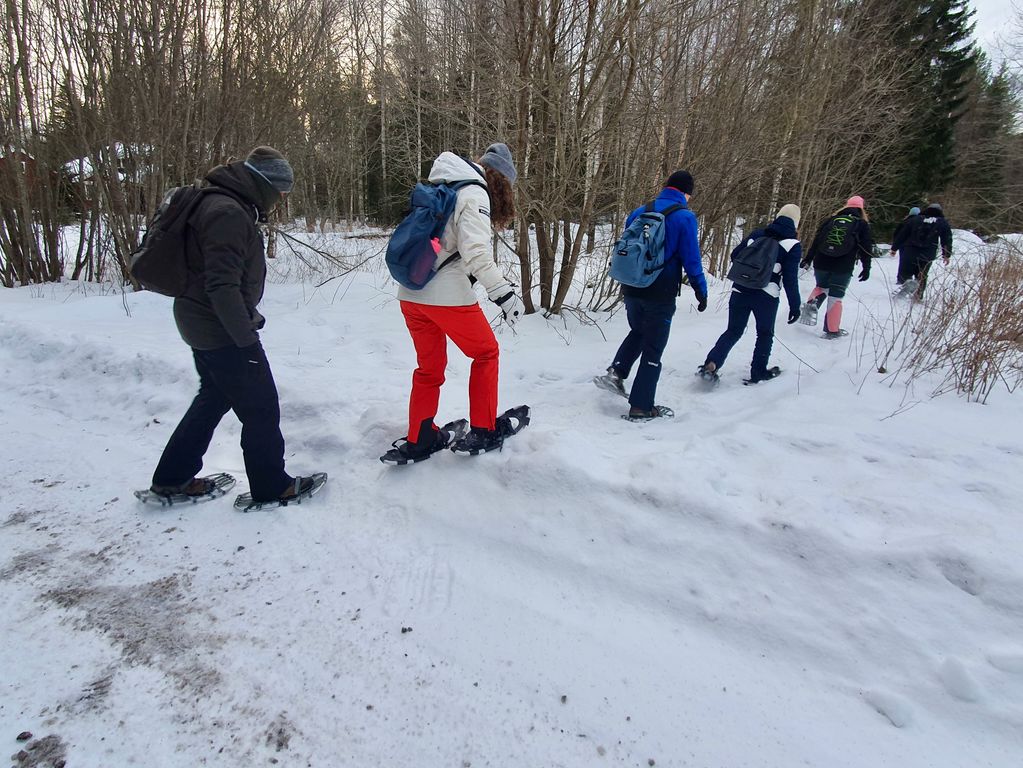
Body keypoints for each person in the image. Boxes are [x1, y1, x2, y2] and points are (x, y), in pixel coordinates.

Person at [149, 146, 323, 504]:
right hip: (220, 329)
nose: (281, 200)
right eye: (280, 192)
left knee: (213, 397)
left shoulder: (220, 202)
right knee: (261, 407)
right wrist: (245, 338)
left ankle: (172, 478)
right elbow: (221, 285)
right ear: (264, 185)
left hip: (200, 320)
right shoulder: (227, 212)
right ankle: (271, 485)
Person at [381, 143, 524, 462]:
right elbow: (476, 254)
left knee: (429, 368)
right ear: (501, 181)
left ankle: (421, 438)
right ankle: (484, 430)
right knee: (486, 353)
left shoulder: (444, 186)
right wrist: (503, 293)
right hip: (446, 298)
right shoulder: (475, 194)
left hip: (411, 295)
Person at [593, 170, 708, 419]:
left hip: (631, 285)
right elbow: (692, 259)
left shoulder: (639, 210)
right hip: (660, 290)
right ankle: (641, 407)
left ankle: (616, 373)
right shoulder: (684, 217)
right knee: (654, 346)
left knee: (639, 330)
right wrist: (701, 290)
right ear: (686, 193)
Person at [698, 204, 803, 384]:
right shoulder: (792, 245)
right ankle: (758, 372)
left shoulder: (757, 234)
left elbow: (734, 255)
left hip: (741, 289)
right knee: (764, 333)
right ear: (796, 222)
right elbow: (790, 279)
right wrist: (795, 305)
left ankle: (712, 363)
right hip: (767, 295)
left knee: (733, 330)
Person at [799, 195, 874, 338]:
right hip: (842, 265)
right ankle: (832, 331)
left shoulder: (831, 220)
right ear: (861, 209)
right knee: (835, 296)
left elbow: (817, 241)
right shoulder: (861, 224)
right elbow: (866, 248)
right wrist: (866, 268)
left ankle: (808, 310)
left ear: (846, 206)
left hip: (821, 262)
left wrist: (808, 259)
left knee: (821, 287)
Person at [890, 202, 952, 299]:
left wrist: (894, 248)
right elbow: (947, 239)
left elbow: (902, 234)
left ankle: (907, 284)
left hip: (910, 251)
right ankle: (918, 295)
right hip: (928, 253)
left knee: (907, 272)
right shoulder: (942, 222)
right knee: (922, 274)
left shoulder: (915, 219)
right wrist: (946, 254)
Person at [891, 206, 921, 284]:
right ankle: (917, 279)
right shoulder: (921, 223)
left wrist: (895, 247)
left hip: (903, 246)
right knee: (916, 263)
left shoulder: (904, 222)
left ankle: (901, 279)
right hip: (916, 246)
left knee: (903, 263)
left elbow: (897, 234)